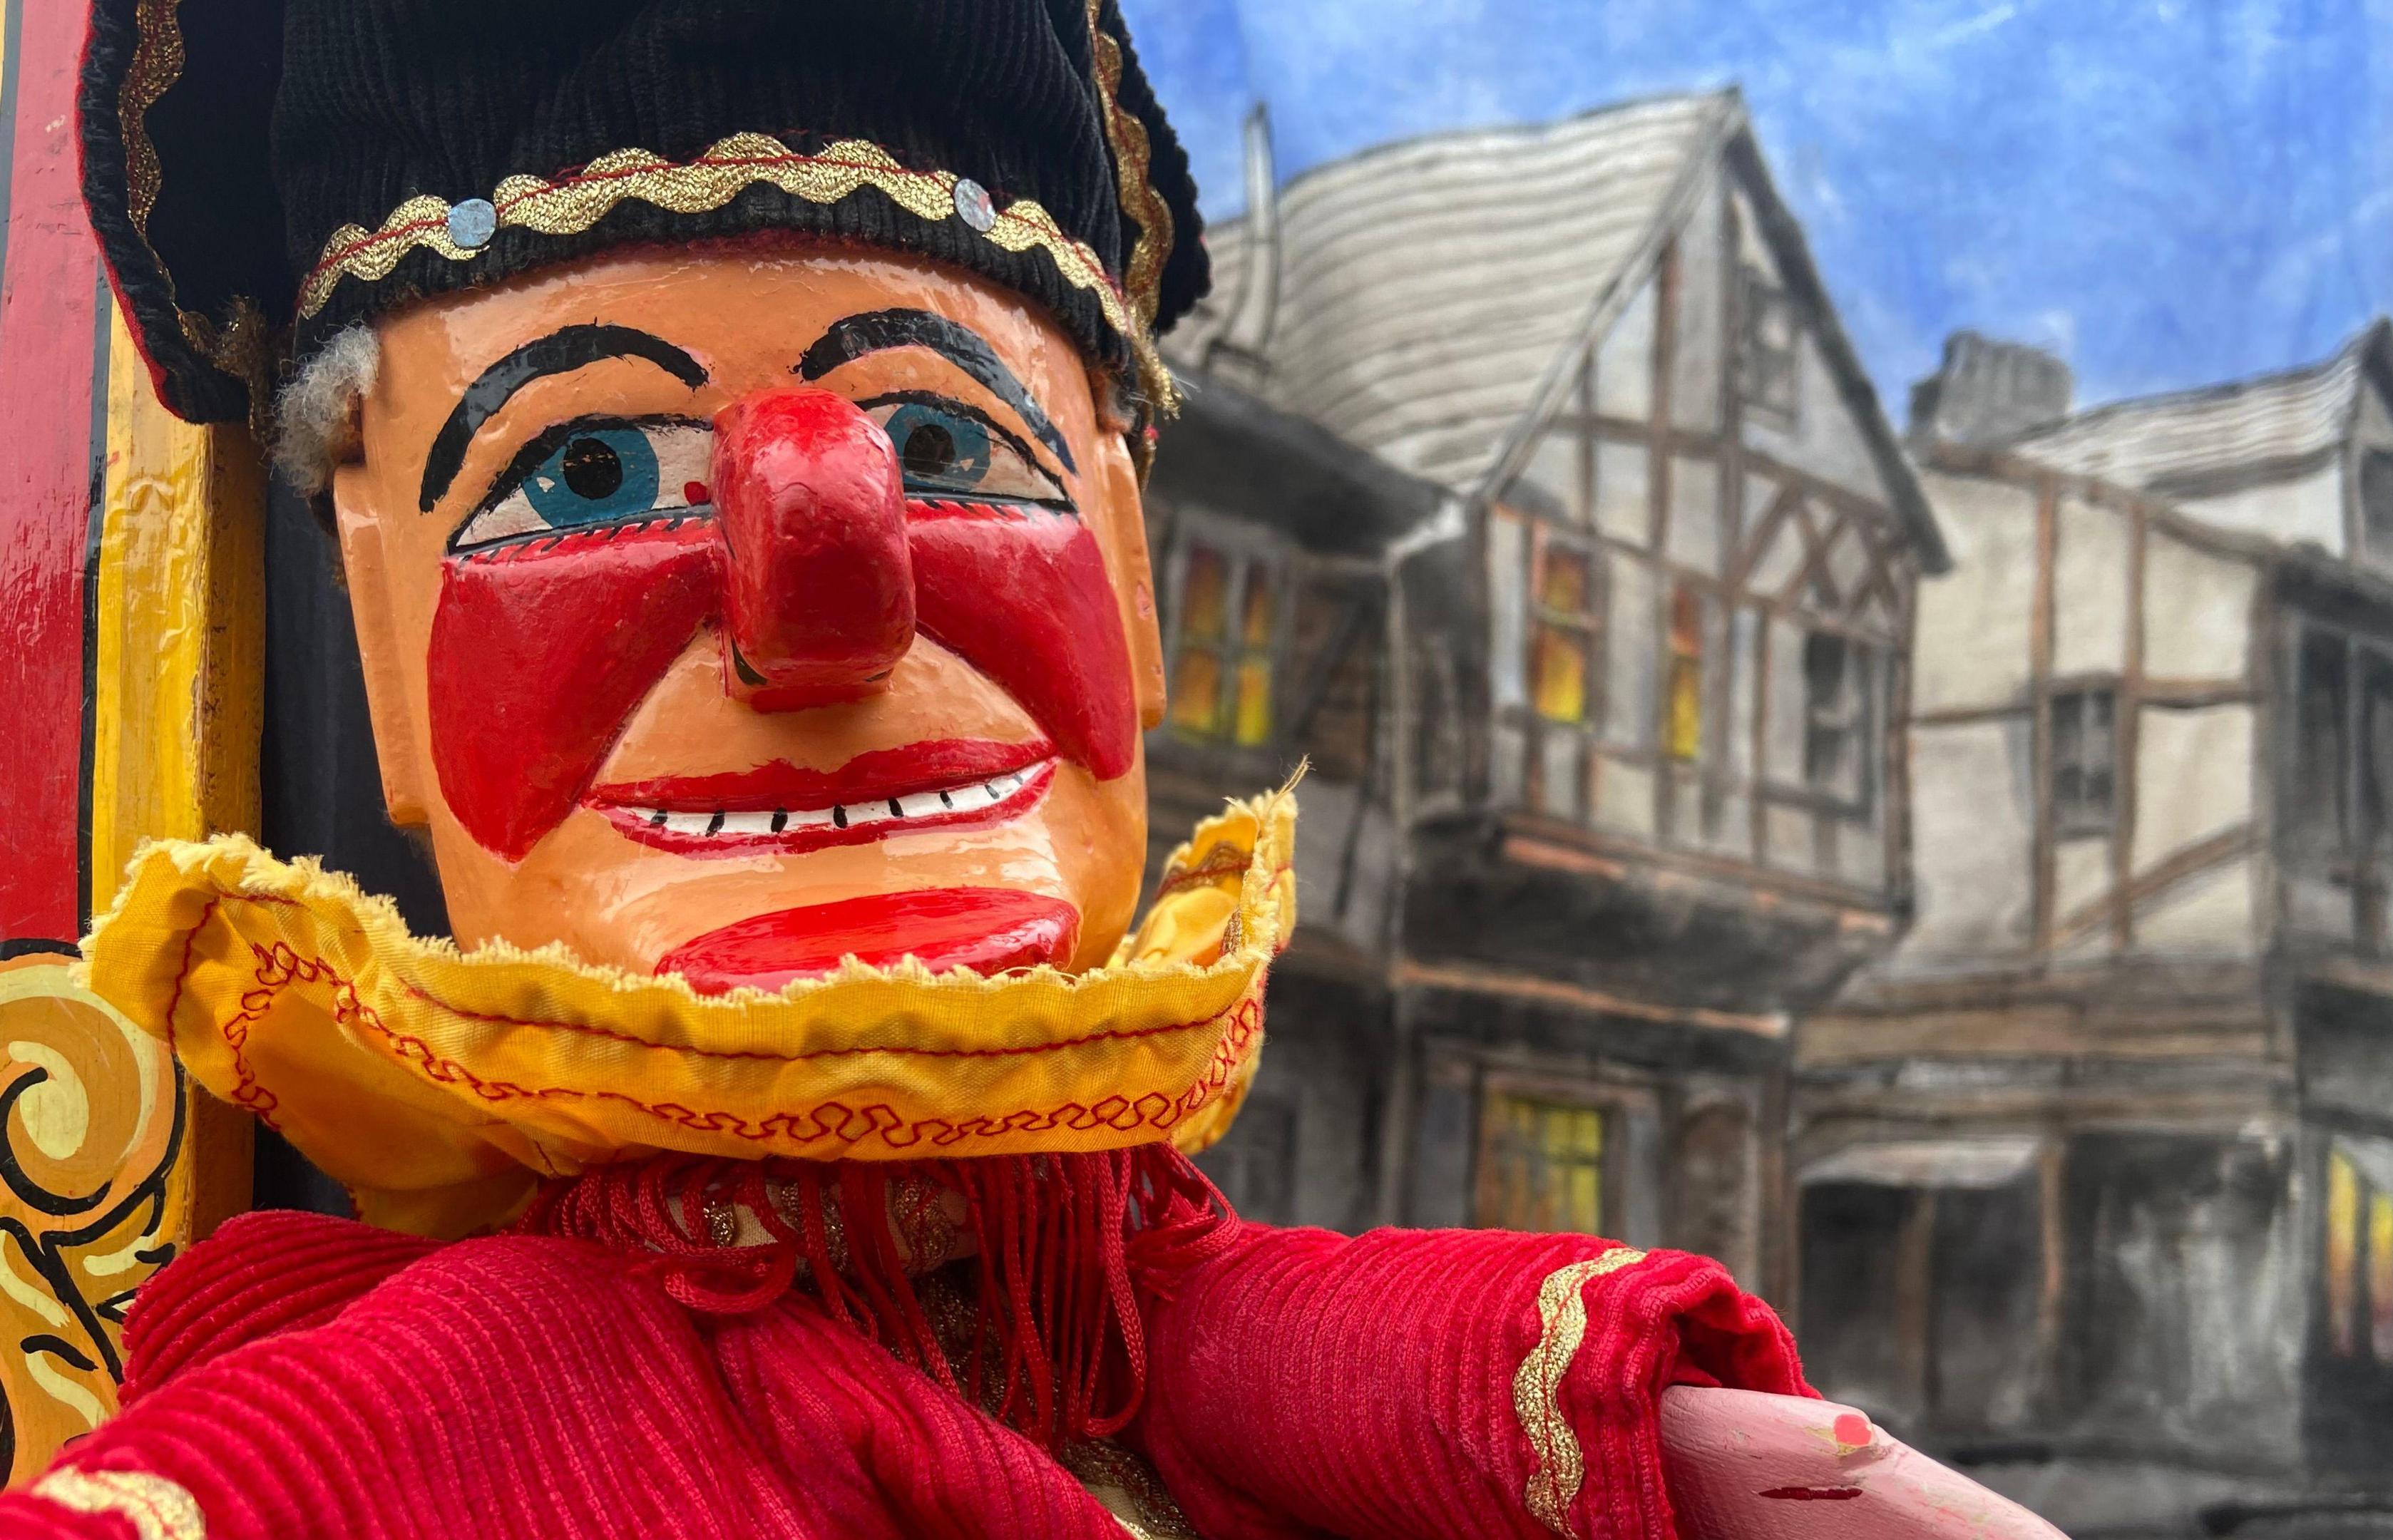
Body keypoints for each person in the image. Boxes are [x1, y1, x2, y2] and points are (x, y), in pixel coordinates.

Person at [4, 3, 2065, 1536]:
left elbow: (1225, 1318)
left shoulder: (1187, 1328)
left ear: (1136, 584)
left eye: (942, 448)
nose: (834, 591)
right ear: (382, 637)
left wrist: (1619, 1424)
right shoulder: (399, 1435)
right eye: (590, 473)